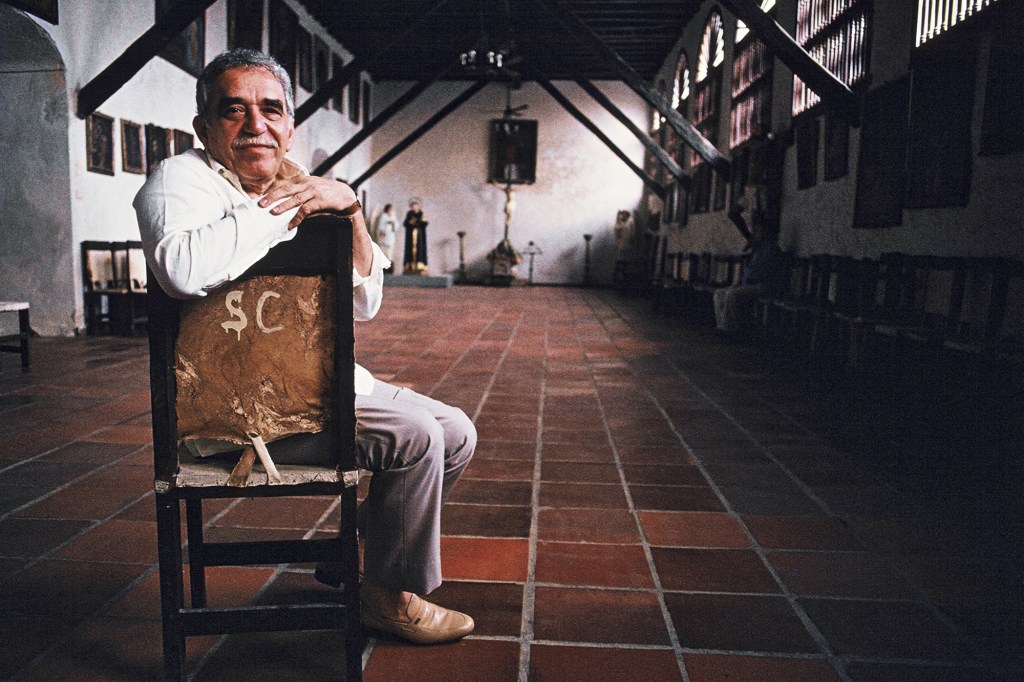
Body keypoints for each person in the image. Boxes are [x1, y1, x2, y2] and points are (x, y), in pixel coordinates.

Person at [133, 48, 476, 645]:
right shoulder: (179, 180)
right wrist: (290, 204)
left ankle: (362, 560)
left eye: (271, 110)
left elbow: (364, 303)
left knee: (456, 431)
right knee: (416, 438)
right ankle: (388, 596)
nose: (256, 125)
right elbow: (180, 272)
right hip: (232, 402)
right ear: (204, 127)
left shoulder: (302, 185)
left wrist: (351, 212)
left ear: (290, 125)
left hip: (311, 377)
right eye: (233, 111)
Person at [713, 221, 782, 333]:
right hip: (750, 284)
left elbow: (760, 272)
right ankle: (721, 326)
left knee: (732, 294)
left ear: (765, 233)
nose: (755, 234)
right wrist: (739, 281)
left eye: (758, 231)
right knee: (719, 294)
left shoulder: (771, 250)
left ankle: (732, 329)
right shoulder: (758, 250)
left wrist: (744, 282)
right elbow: (747, 270)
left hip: (763, 285)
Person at [371, 203, 399, 273]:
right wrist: (382, 231)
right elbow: (380, 227)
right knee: (384, 252)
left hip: (391, 238)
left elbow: (396, 227)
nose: (392, 210)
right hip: (384, 238)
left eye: (392, 209)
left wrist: (393, 224)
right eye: (390, 209)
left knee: (390, 254)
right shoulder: (383, 216)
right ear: (387, 209)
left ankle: (389, 269)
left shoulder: (393, 216)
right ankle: (383, 269)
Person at [402, 200, 428, 274]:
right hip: (410, 236)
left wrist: (423, 220)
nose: (414, 207)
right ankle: (410, 266)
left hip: (419, 236)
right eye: (413, 206)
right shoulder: (409, 214)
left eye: (416, 206)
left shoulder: (421, 213)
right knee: (410, 250)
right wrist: (411, 222)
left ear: (418, 206)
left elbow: (424, 224)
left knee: (420, 250)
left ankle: (420, 266)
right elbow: (405, 223)